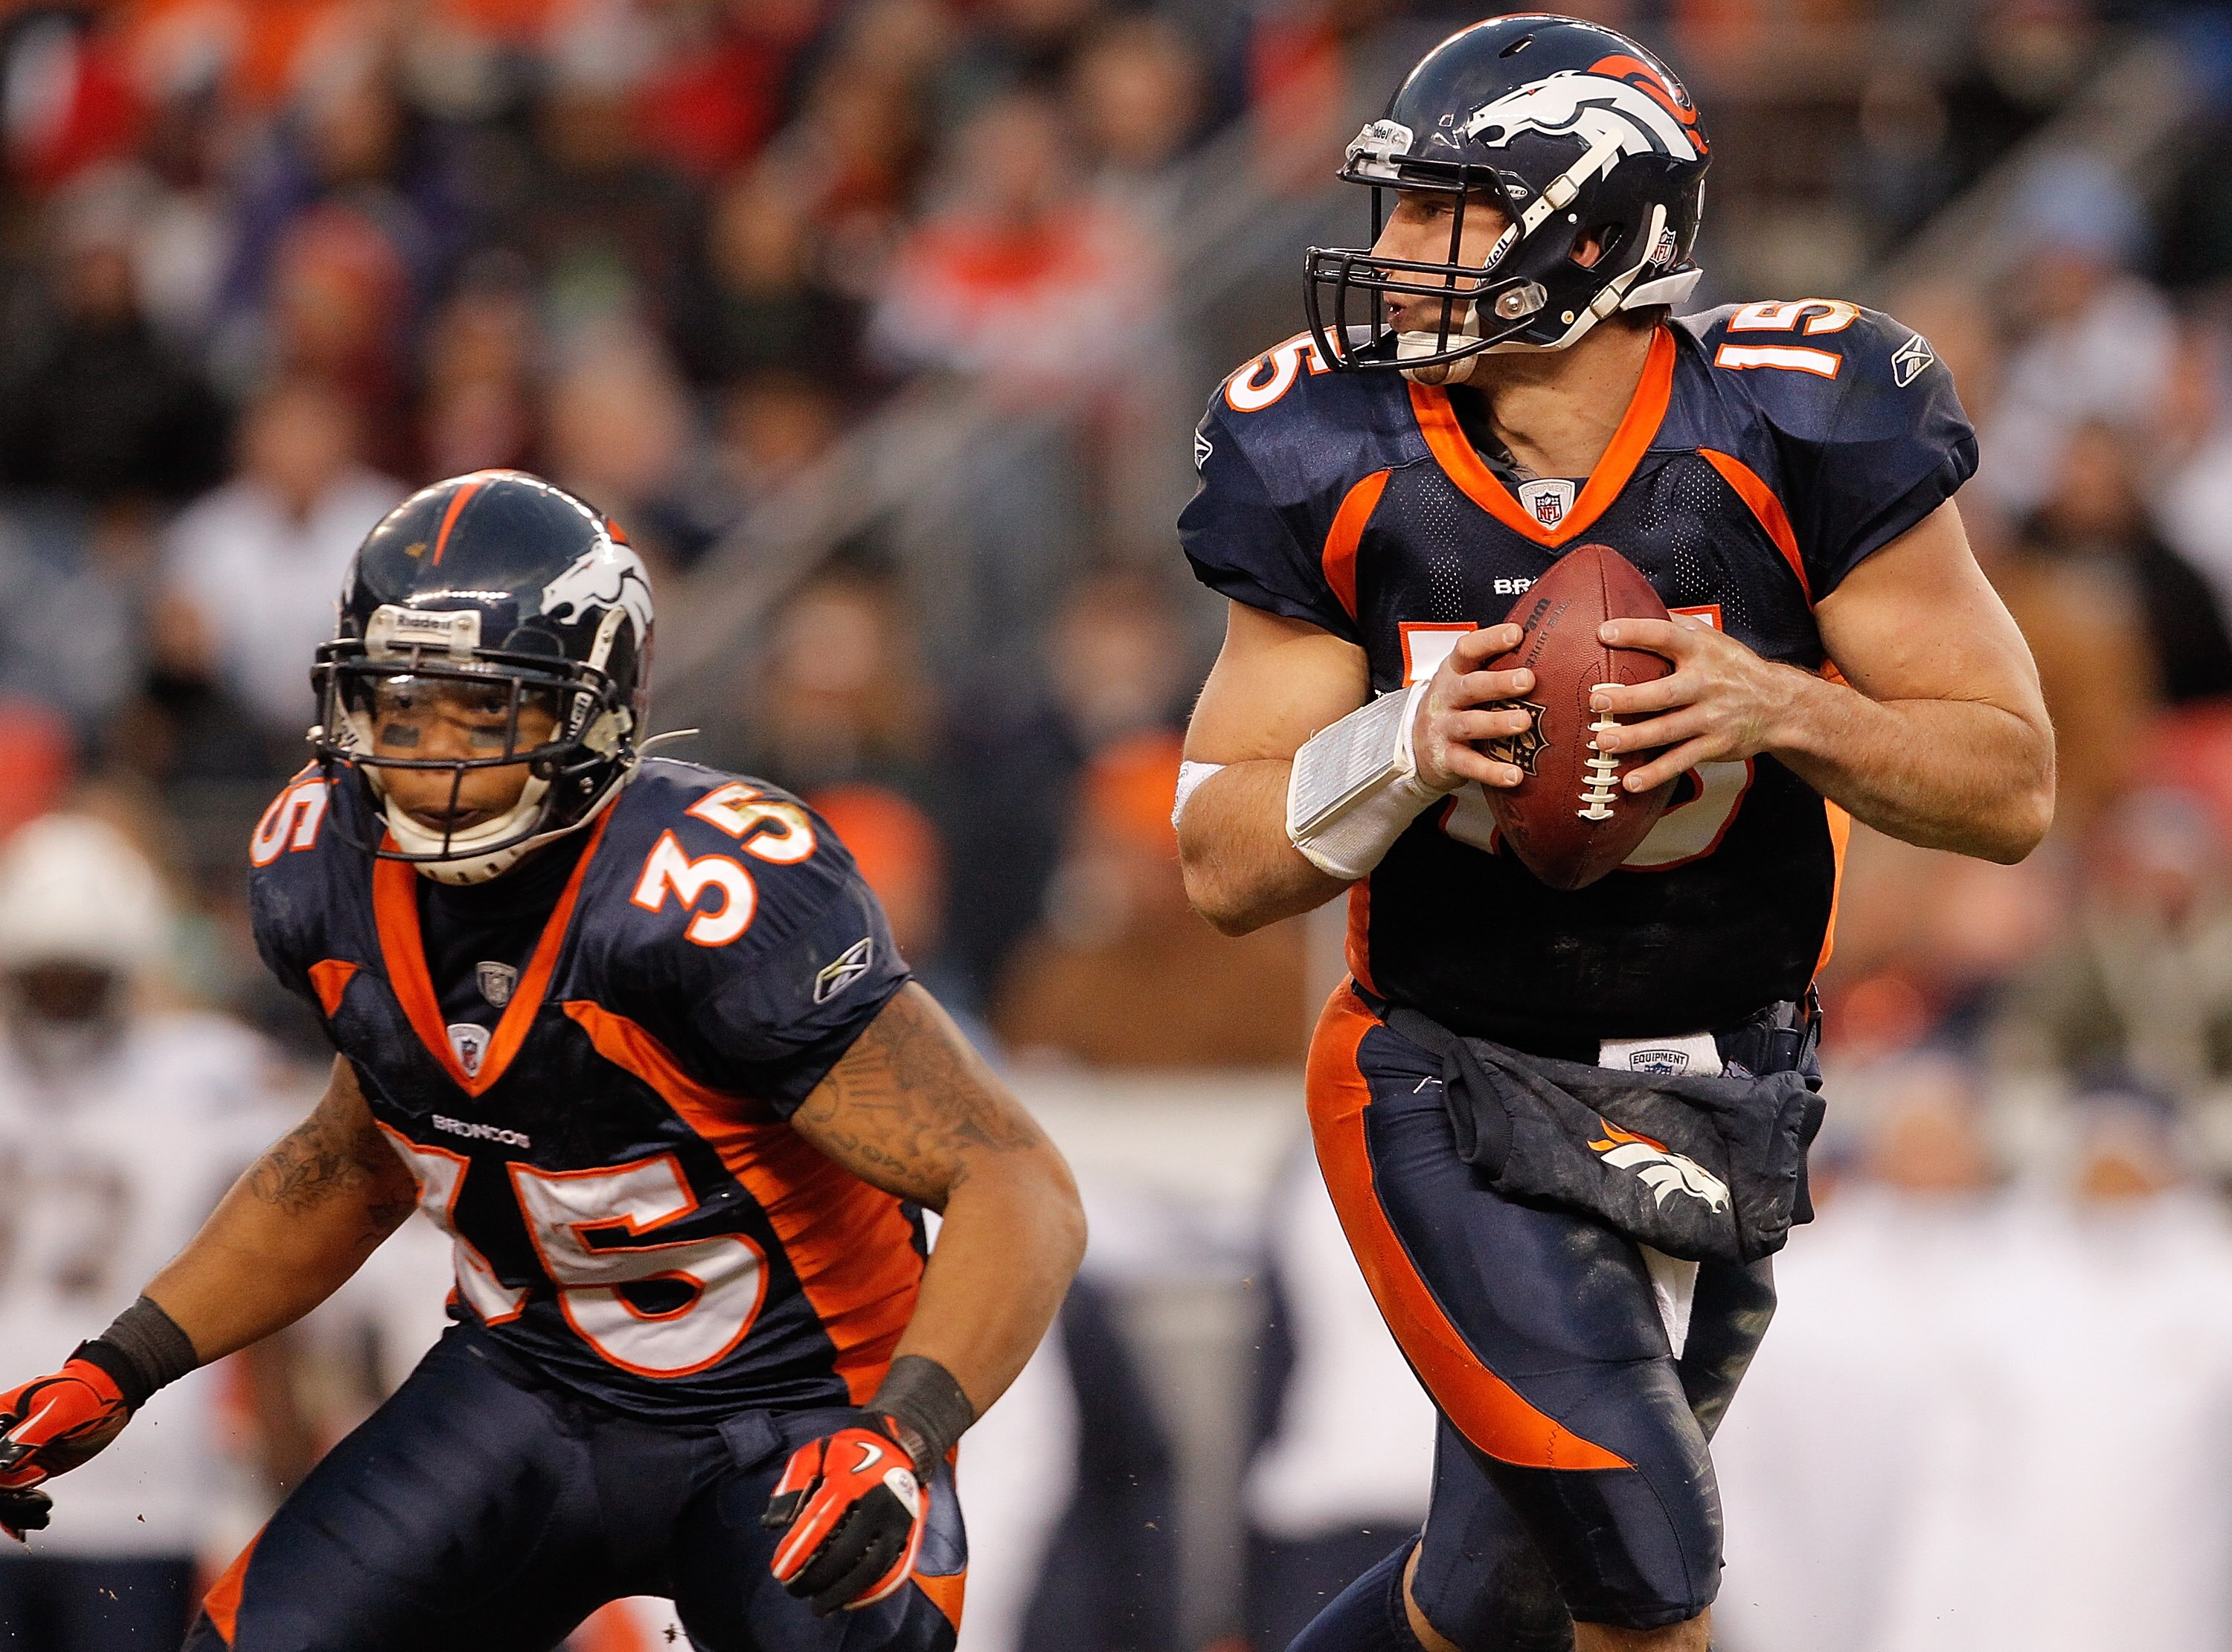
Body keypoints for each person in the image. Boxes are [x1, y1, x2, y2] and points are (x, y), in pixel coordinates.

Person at [1172, 17, 2053, 1652]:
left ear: (1593, 231)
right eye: (1396, 210)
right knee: (1648, 1565)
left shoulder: (1803, 417)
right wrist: (1397, 750)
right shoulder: (1326, 446)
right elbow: (1221, 861)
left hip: (1726, 1075)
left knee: (1496, 1585)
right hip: (1448, 1067)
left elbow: (2009, 783)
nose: (1394, 256)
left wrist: (1789, 708)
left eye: (1447, 214)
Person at [0, 471, 1088, 1651]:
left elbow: (1015, 1181)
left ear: (592, 711)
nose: (434, 761)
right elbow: (356, 1162)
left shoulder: (705, 894)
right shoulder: (320, 865)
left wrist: (904, 1430)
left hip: (798, 1416)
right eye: (404, 708)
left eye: (486, 711)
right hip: (529, 1386)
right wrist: (123, 1365)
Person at [0, 812, 306, 1651]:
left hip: (146, 1477)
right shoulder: (209, 1069)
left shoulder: (207, 1073)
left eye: (79, 974)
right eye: (45, 975)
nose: (61, 996)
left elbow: (270, 1270)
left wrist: (290, 1464)